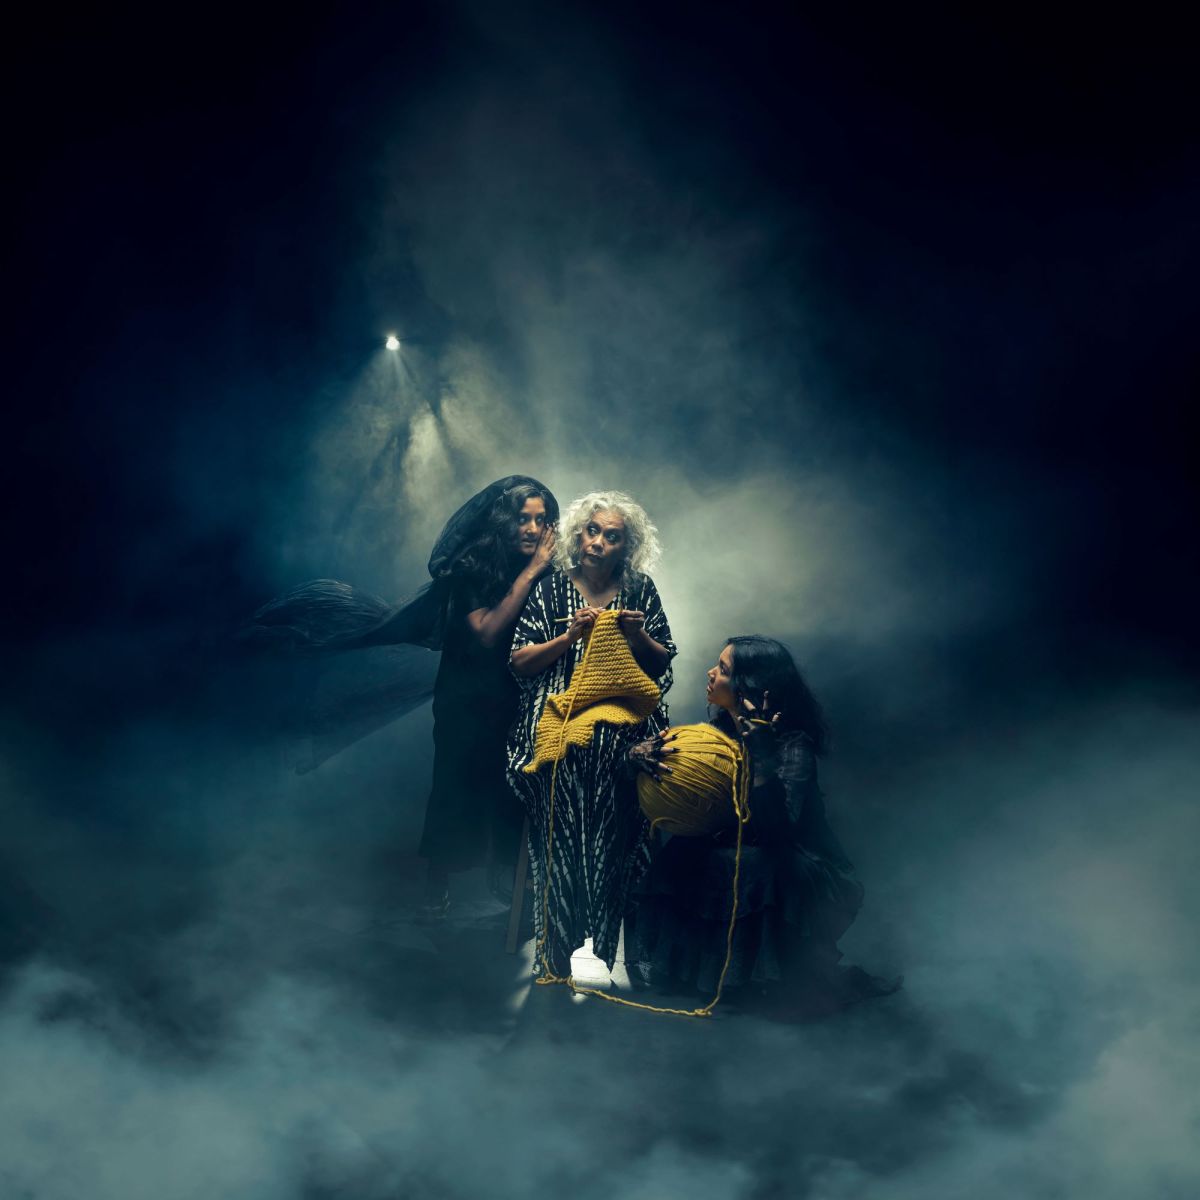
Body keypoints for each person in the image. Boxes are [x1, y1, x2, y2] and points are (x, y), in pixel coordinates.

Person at [240, 476, 559, 916]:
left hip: (519, 694)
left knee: (513, 785)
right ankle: (438, 881)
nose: (532, 528)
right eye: (523, 518)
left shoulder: (547, 575)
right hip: (466, 696)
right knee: (455, 786)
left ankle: (504, 875)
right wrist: (528, 575)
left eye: (542, 519)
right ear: (503, 523)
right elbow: (485, 633)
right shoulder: (471, 570)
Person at [625, 636, 899, 1016]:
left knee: (756, 863)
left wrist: (763, 759)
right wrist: (636, 756)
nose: (711, 673)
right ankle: (699, 974)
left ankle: (759, 979)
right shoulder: (719, 735)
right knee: (683, 852)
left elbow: (777, 832)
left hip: (801, 865)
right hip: (742, 846)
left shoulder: (792, 744)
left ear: (750, 688)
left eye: (722, 669)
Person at [507, 491, 675, 979]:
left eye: (612, 537)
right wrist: (569, 638)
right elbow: (519, 661)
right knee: (575, 750)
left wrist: (636, 635)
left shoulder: (639, 590)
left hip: (626, 711)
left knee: (620, 749)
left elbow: (661, 665)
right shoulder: (552, 589)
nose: (598, 543)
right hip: (557, 708)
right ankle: (556, 941)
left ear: (627, 548)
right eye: (592, 531)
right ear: (578, 535)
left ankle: (632, 941)